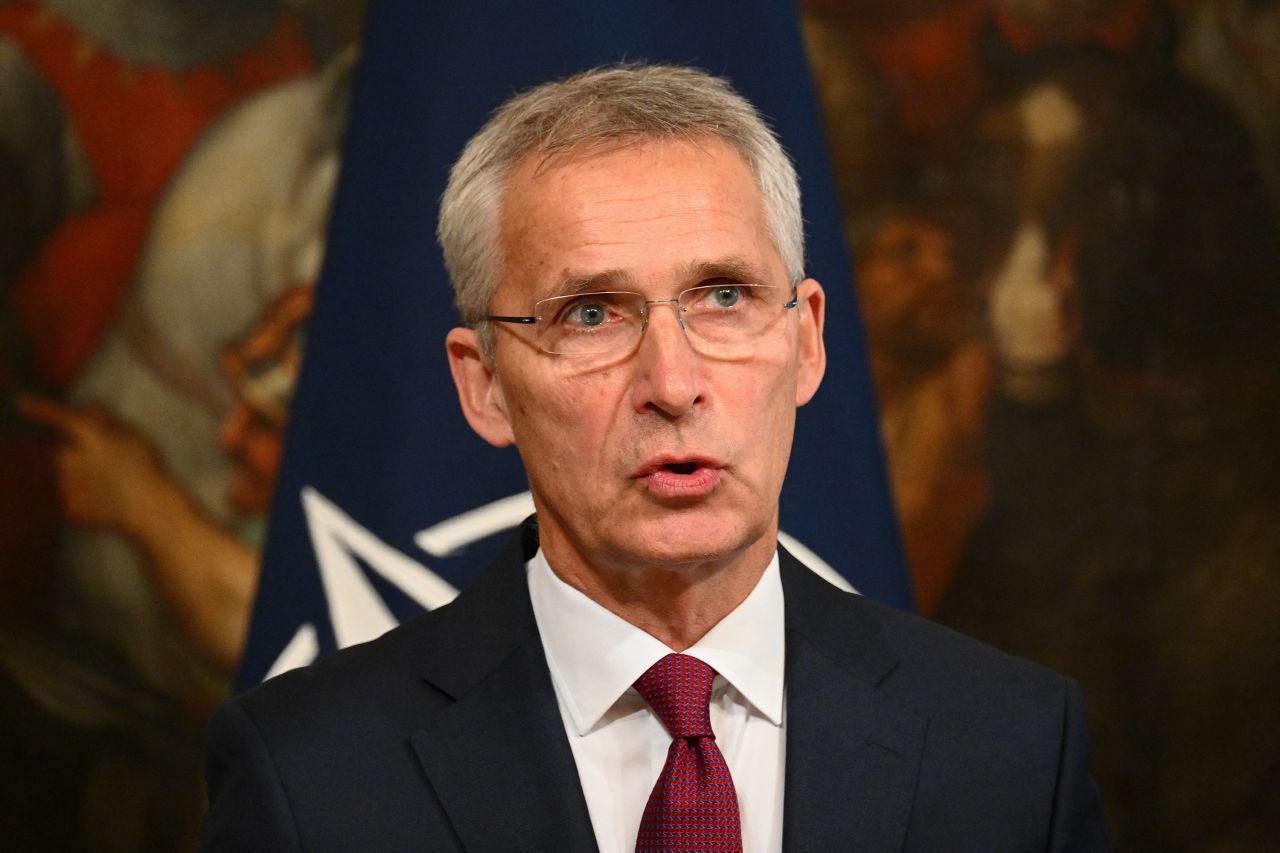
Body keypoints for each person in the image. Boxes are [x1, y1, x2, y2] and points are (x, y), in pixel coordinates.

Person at [199, 64, 1109, 852]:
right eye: (591, 314)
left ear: (809, 342)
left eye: (724, 296)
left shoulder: (1012, 748)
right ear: (484, 386)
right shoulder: (310, 780)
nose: (673, 382)